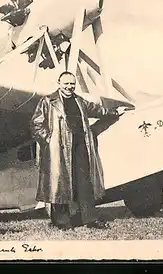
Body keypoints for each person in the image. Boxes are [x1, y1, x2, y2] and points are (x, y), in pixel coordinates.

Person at [30, 71, 126, 230]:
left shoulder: (79, 101)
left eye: (72, 84)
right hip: (58, 150)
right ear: (59, 83)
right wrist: (49, 141)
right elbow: (36, 124)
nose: (69, 87)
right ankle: (61, 222)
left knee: (84, 183)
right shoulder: (48, 101)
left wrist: (115, 112)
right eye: (66, 83)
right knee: (59, 184)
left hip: (80, 146)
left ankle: (90, 219)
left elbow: (97, 110)